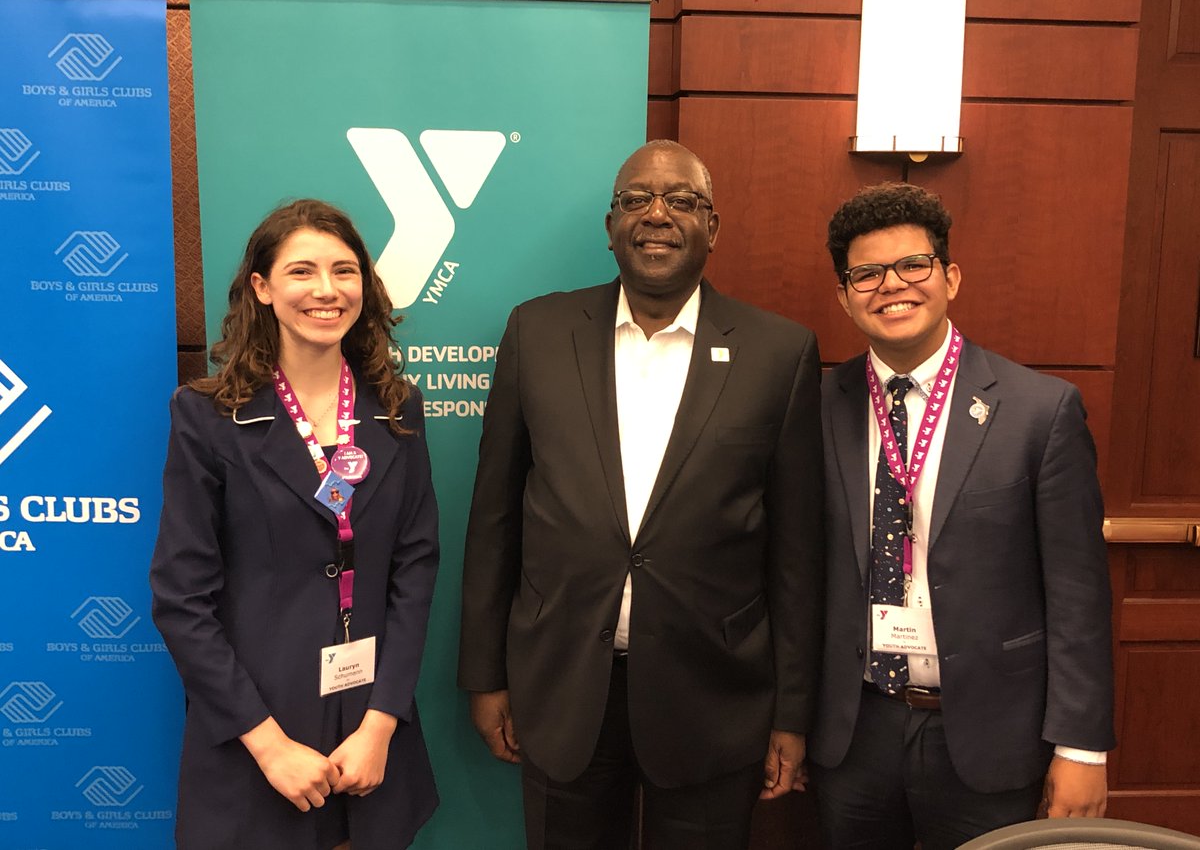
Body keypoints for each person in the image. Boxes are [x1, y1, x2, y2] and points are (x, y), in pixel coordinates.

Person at [457, 140, 824, 849]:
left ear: (712, 227)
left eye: (681, 200)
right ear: (610, 224)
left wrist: (793, 713)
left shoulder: (779, 353)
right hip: (564, 687)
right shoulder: (537, 331)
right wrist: (485, 675)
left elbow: (797, 552)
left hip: (715, 698)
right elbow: (494, 518)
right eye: (636, 200)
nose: (657, 215)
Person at [808, 183, 1114, 850]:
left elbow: (1078, 594)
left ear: (949, 277)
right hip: (854, 731)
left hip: (990, 735)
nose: (892, 286)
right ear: (843, 295)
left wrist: (1082, 747)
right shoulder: (816, 404)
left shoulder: (1041, 411)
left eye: (913, 265)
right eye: (866, 273)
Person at [150, 199, 439, 850]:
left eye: (344, 270)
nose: (327, 290)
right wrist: (270, 745)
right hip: (256, 741)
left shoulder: (398, 408)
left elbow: (416, 571)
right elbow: (180, 601)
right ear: (262, 287)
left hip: (367, 737)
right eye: (302, 271)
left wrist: (380, 725)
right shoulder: (208, 417)